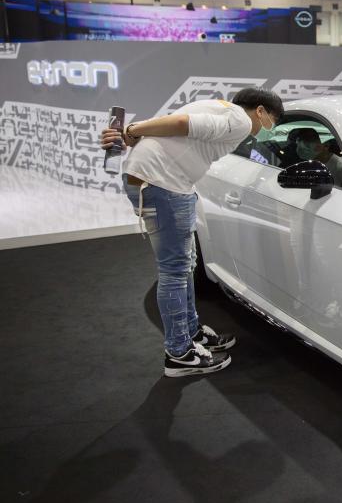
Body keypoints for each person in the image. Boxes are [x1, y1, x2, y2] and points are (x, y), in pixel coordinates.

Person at [99, 87, 284, 377]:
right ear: (260, 111)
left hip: (164, 182)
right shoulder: (240, 120)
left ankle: (190, 332)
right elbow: (180, 124)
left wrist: (132, 134)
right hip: (162, 184)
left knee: (186, 265)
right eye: (272, 121)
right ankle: (179, 353)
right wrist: (131, 131)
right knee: (175, 270)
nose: (268, 129)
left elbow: (178, 130)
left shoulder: (218, 106)